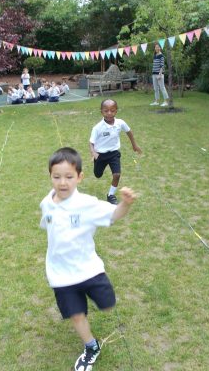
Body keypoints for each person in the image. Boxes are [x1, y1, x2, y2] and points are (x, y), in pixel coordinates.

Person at [40, 147, 137, 371]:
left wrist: (125, 204)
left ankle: (98, 297)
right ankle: (91, 346)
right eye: (57, 177)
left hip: (89, 270)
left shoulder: (87, 204)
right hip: (61, 274)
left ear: (80, 177)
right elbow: (49, 225)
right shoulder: (47, 202)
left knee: (107, 304)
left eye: (68, 177)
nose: (62, 182)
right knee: (76, 315)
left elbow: (112, 215)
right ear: (50, 176)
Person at [90, 99, 142, 204]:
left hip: (114, 153)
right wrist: (94, 154)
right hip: (100, 155)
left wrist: (134, 145)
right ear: (101, 112)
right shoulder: (97, 128)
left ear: (116, 111)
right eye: (106, 111)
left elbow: (129, 132)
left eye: (112, 110)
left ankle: (111, 195)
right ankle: (96, 163)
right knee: (98, 174)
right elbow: (91, 143)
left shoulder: (120, 123)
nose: (109, 113)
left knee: (117, 174)